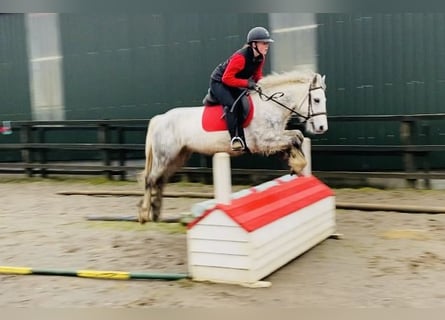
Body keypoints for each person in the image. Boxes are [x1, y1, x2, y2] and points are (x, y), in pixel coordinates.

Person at [208, 26, 274, 151]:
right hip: (219, 82)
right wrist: (247, 84)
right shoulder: (240, 58)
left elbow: (257, 76)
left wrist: (263, 86)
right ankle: (235, 139)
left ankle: (245, 137)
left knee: (245, 103)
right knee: (232, 104)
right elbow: (226, 78)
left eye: (268, 43)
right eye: (264, 43)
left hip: (235, 82)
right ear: (254, 44)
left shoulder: (261, 58)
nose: (267, 46)